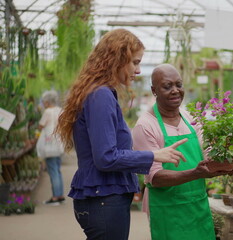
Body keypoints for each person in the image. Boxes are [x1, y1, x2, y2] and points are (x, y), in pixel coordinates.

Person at [55, 29, 187, 240]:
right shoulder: (101, 95)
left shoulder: (99, 93)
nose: (137, 70)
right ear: (116, 59)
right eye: (134, 62)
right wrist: (154, 156)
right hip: (104, 200)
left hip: (100, 198)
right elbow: (105, 157)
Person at [132, 63, 229, 240]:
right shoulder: (146, 126)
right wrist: (195, 173)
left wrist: (224, 159)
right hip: (168, 209)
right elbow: (155, 177)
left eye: (179, 84)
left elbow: (207, 152)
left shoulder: (190, 118)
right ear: (154, 90)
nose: (175, 90)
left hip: (197, 205)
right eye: (167, 86)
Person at [36, 90, 65, 206]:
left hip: (49, 146)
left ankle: (55, 197)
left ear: (47, 102)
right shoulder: (60, 110)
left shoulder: (47, 112)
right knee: (57, 170)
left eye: (44, 102)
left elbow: (41, 125)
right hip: (59, 144)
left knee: (53, 171)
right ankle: (60, 195)